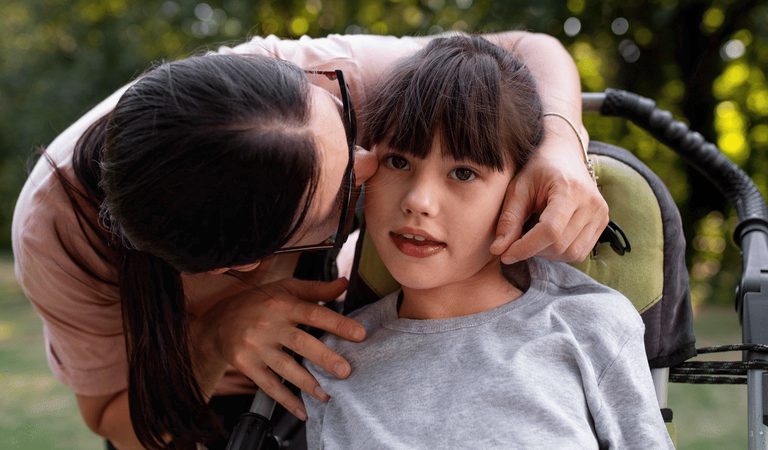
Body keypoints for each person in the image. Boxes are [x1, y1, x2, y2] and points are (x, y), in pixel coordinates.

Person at [12, 32, 607, 449]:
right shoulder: (59, 238)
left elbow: (527, 51)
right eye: (346, 185)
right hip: (201, 416)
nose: (375, 163)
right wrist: (215, 342)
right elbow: (113, 419)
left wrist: (562, 140)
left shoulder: (297, 87)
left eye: (344, 121)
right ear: (249, 260)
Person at [302, 35, 672, 448]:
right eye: (398, 161)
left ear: (523, 190)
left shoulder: (589, 325)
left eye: (463, 173)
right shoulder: (332, 362)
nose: (418, 201)